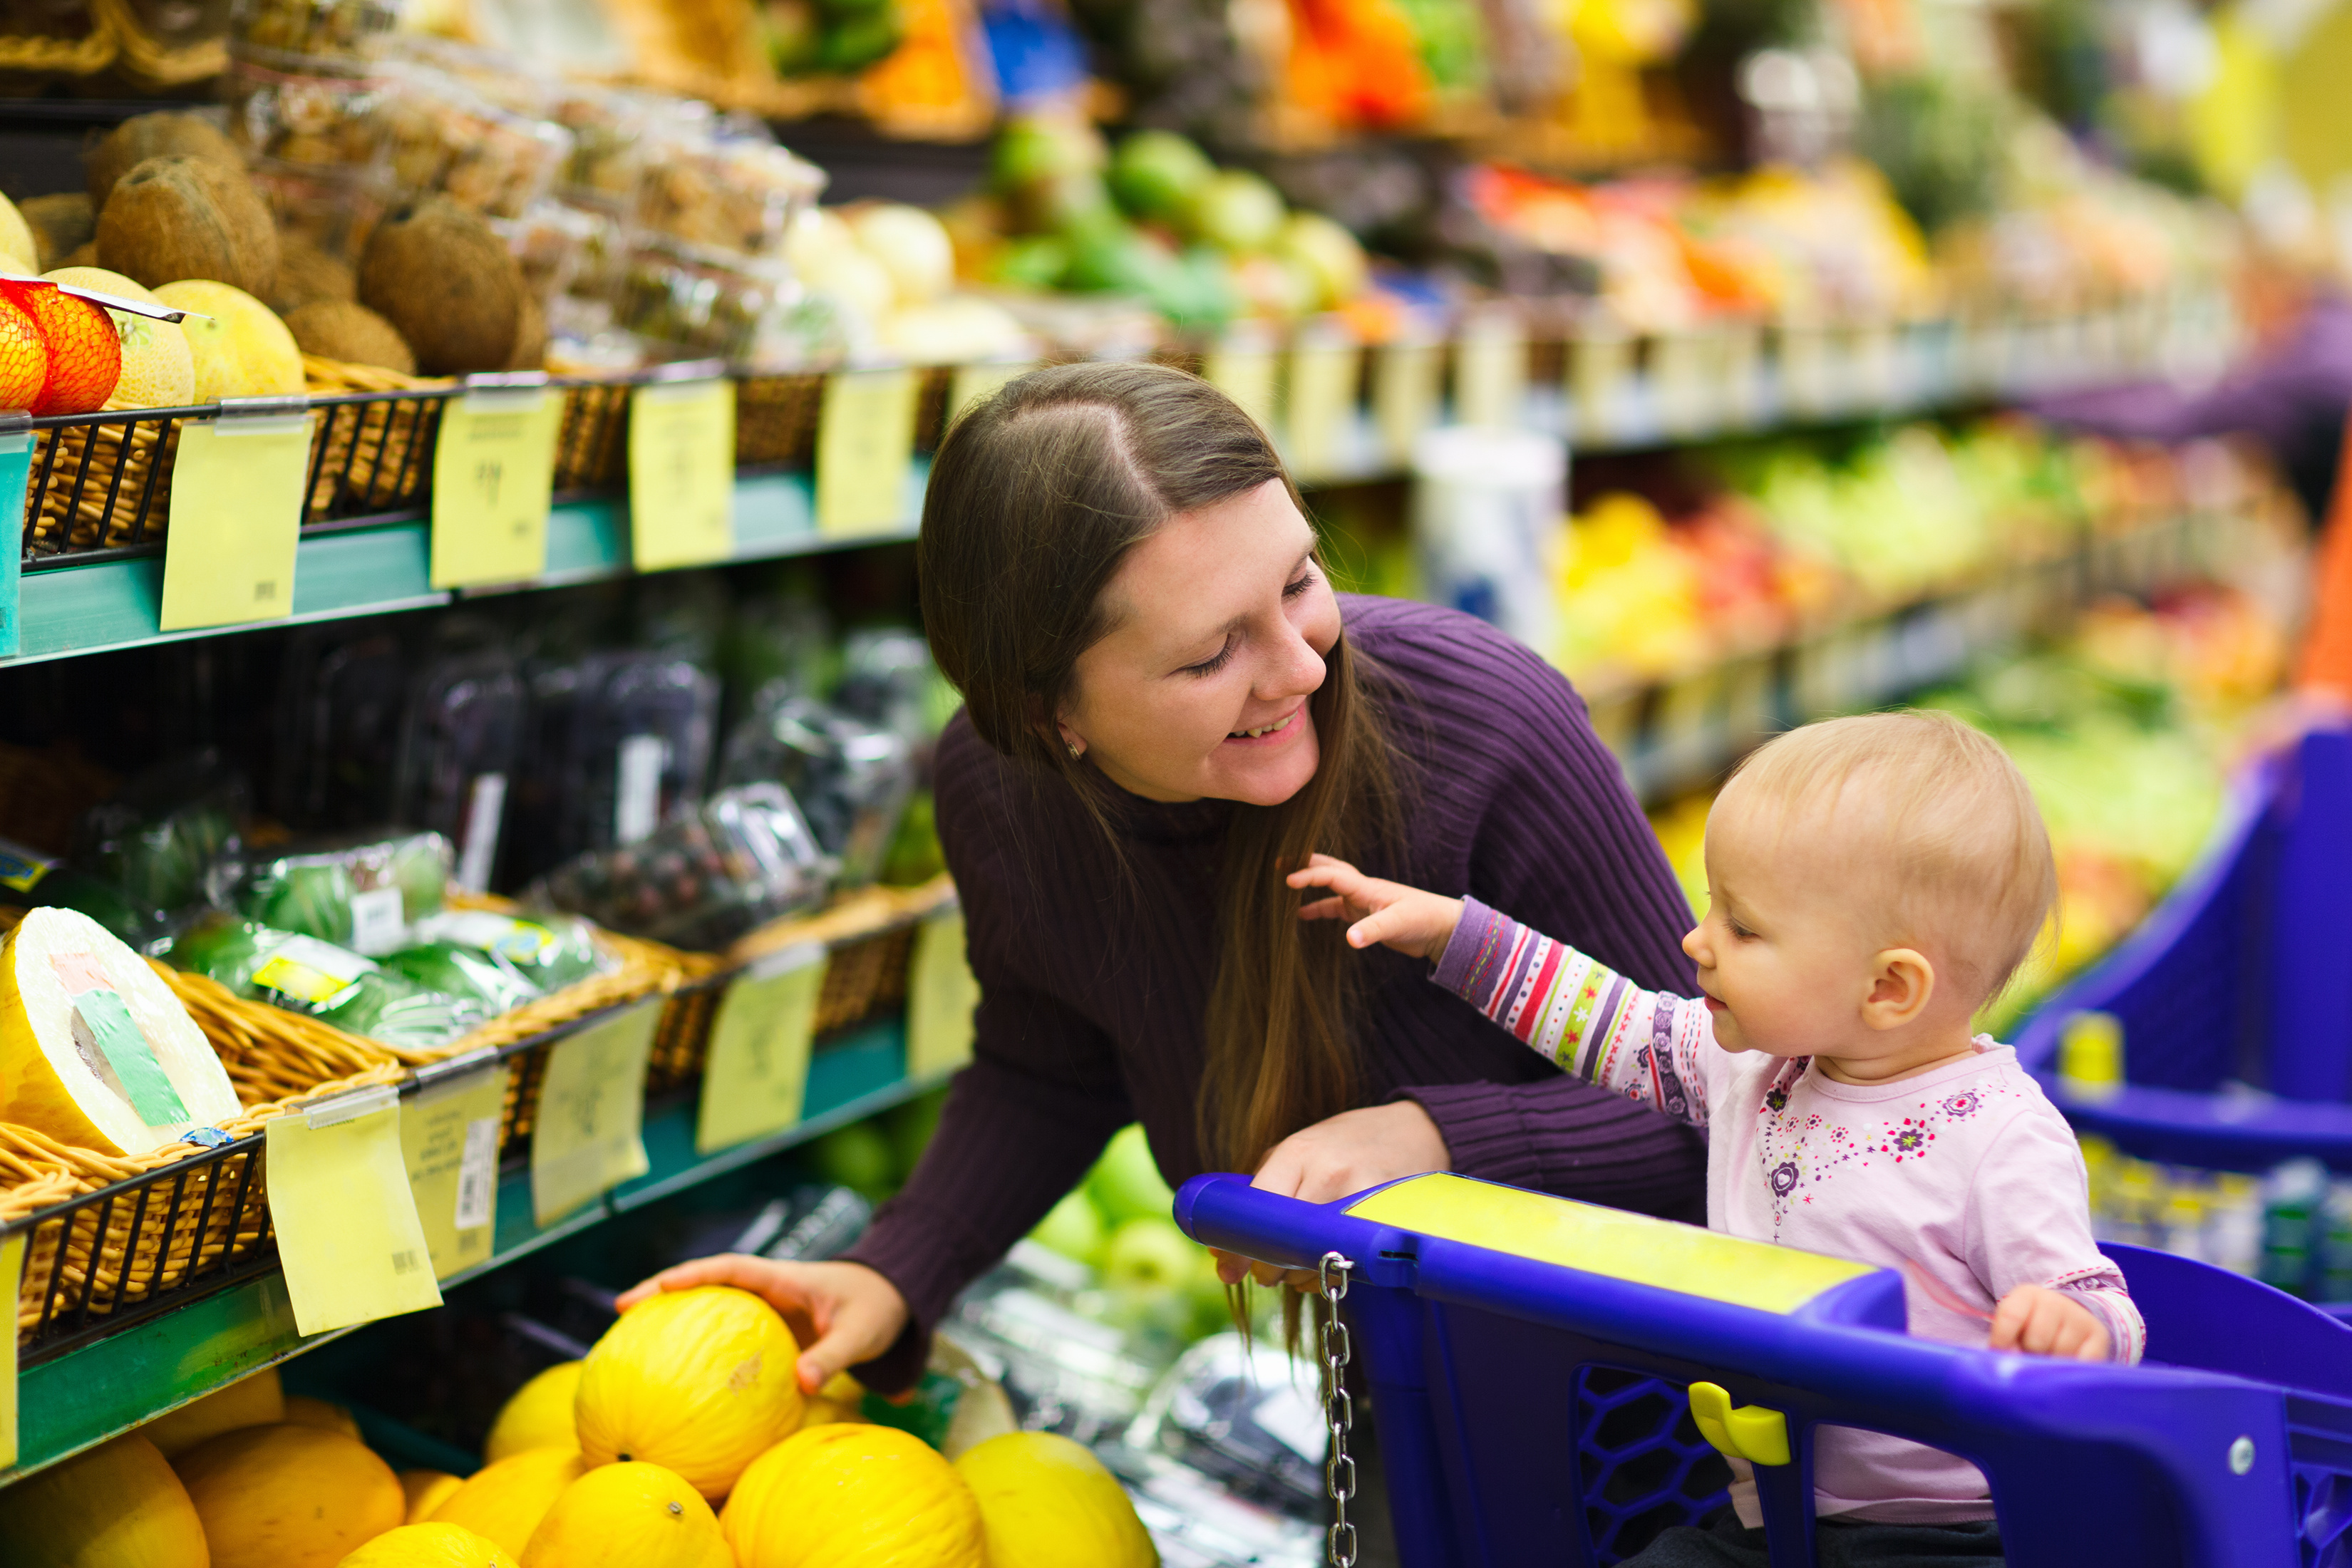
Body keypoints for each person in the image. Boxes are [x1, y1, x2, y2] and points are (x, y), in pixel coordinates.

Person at [619, 361, 1706, 1456]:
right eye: (1209, 654)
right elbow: (1050, 1061)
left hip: (1658, 1403)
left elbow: (1725, 1103)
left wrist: (1433, 1140)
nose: (1299, 669)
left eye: (1298, 583)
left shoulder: (1481, 722)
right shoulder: (1001, 793)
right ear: (1053, 716)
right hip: (1395, 1392)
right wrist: (896, 1269)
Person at [1287, 710, 2145, 1567]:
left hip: (1952, 1533)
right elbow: (1607, 1018)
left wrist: (2074, 1324)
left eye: (1743, 927)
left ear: (1888, 986)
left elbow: (2099, 1296)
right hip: (1771, 1512)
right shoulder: (1754, 1067)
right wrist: (1453, 934)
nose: (1697, 942)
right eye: (1711, 907)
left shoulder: (1998, 1136)